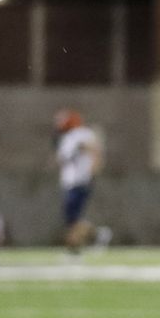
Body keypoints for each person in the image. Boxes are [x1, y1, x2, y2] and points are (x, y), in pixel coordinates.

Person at [52, 110, 106, 256]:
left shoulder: (80, 134)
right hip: (70, 182)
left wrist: (94, 166)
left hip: (79, 181)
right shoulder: (68, 138)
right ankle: (96, 235)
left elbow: (93, 149)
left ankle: (78, 247)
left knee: (73, 219)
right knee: (72, 219)